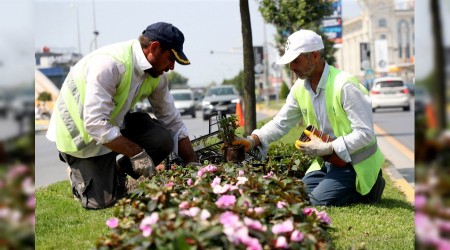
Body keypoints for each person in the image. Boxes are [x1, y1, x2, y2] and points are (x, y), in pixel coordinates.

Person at [46, 22, 198, 209]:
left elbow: (171, 120)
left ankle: (117, 169)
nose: (172, 67)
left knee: (162, 139)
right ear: (154, 48)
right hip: (79, 137)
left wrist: (192, 162)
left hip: (111, 126)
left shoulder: (156, 76)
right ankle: (77, 173)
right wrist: (136, 153)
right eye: (170, 58)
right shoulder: (110, 65)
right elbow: (94, 124)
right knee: (101, 203)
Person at [233, 29, 385, 206]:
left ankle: (370, 189)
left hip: (356, 166)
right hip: (329, 162)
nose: (291, 67)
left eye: (296, 61)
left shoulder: (344, 85)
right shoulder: (300, 88)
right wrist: (253, 140)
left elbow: (365, 134)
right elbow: (281, 123)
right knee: (294, 197)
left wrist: (329, 147)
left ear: (314, 56)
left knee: (314, 202)